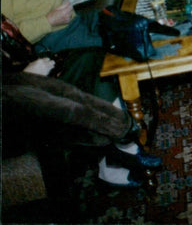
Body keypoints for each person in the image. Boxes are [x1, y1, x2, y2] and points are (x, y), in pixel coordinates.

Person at [2, 30, 163, 188]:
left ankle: (116, 152)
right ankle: (124, 141)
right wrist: (27, 77)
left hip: (25, 83)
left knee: (92, 58)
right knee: (62, 103)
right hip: (13, 116)